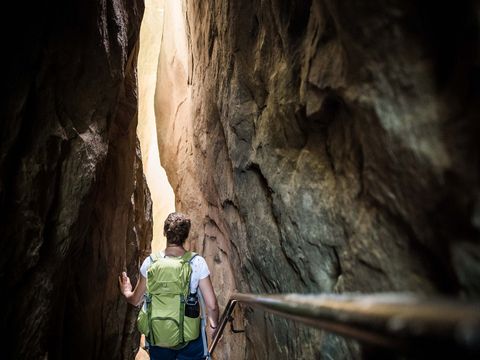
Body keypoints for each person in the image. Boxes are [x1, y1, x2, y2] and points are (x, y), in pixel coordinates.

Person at [119, 212, 219, 360]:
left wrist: (127, 291)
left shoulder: (151, 263)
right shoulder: (197, 263)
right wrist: (214, 327)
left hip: (159, 338)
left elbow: (135, 300)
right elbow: (212, 305)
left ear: (165, 232)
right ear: (186, 235)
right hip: (189, 338)